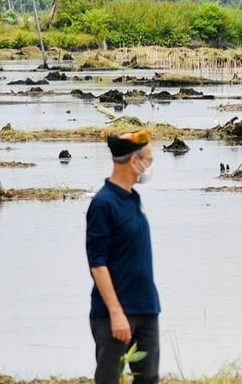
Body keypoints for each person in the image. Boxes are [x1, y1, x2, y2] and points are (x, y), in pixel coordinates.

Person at [86, 129, 160, 384]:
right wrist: (116, 313)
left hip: (147, 307)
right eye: (148, 160)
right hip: (114, 314)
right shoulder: (103, 204)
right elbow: (97, 263)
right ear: (133, 161)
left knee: (147, 379)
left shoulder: (132, 199)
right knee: (109, 378)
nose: (150, 166)